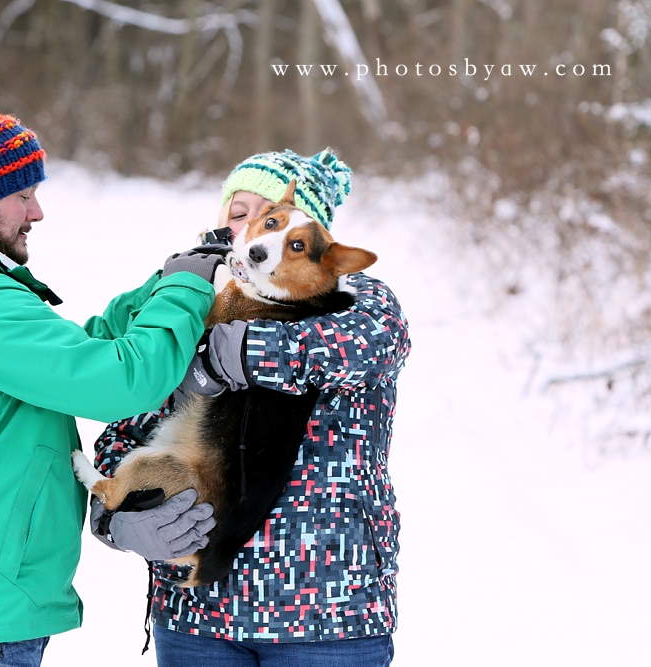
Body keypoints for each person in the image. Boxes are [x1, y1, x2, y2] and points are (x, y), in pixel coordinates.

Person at [0, 100, 223, 667]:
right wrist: (186, 293)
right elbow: (122, 382)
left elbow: (77, 353)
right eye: (23, 195)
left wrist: (160, 286)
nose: (38, 211)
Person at [90, 149, 411, 667]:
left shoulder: (356, 298)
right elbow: (126, 432)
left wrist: (241, 351)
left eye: (271, 216)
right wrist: (117, 518)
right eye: (239, 211)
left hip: (325, 613)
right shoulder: (185, 305)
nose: (252, 228)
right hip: (196, 616)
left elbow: (369, 342)